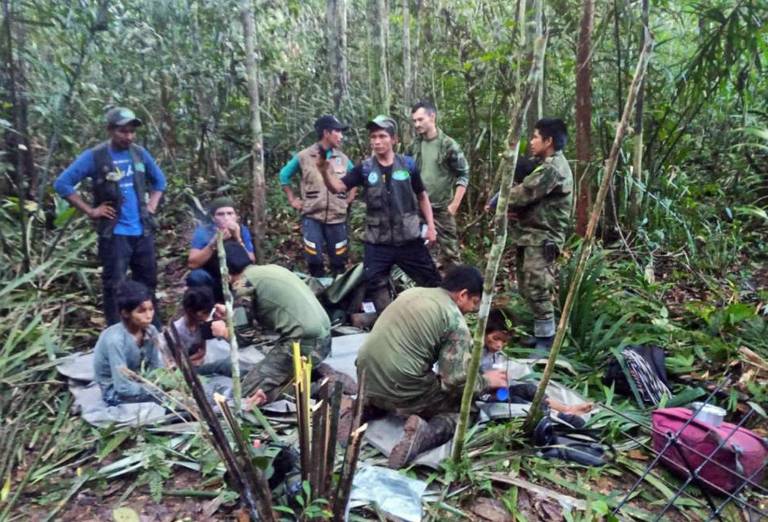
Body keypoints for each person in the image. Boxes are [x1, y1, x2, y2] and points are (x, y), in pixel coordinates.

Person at [355, 265, 508, 469]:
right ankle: (424, 436)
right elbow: (454, 381)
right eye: (474, 302)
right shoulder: (454, 320)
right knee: (465, 411)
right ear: (463, 294)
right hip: (402, 386)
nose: (472, 310)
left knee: (404, 379)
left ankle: (362, 408)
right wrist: (486, 381)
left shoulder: (412, 293)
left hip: (365, 376)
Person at [54, 107, 166, 326]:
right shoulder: (96, 156)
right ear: (110, 130)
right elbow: (62, 184)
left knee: (148, 283)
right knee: (115, 285)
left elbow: (159, 181)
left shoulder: (139, 153)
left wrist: (151, 205)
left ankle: (153, 330)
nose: (129, 136)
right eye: (123, 131)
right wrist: (91, 210)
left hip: (142, 230)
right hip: (115, 234)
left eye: (132, 131)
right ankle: (117, 332)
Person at [318, 115, 442, 313]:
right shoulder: (365, 169)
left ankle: (436, 316)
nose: (377, 141)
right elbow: (338, 187)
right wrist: (324, 171)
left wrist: (431, 227)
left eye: (382, 136)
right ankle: (387, 318)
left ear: (394, 140)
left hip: (409, 238)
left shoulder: (408, 165)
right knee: (374, 283)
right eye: (373, 137)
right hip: (378, 241)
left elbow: (422, 196)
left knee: (432, 282)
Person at [221, 250, 333, 408]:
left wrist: (224, 331)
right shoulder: (272, 269)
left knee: (243, 395)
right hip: (324, 339)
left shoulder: (243, 283)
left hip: (302, 344)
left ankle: (320, 388)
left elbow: (244, 337)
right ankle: (312, 378)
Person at [507, 118, 573, 351]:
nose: (532, 141)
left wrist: (499, 201)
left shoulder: (552, 169)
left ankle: (546, 340)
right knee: (527, 285)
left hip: (543, 237)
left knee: (538, 286)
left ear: (549, 141)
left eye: (535, 137)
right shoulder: (543, 165)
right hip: (530, 235)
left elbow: (523, 194)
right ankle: (540, 333)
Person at [279, 115, 356, 277]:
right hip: (312, 216)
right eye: (338, 132)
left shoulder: (342, 158)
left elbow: (355, 177)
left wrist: (349, 198)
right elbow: (284, 176)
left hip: (337, 217)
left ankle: (338, 288)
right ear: (326, 133)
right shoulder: (304, 156)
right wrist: (292, 199)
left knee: (339, 259)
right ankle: (316, 287)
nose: (341, 136)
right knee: (314, 258)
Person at [479, 310, 593, 417]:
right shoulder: (475, 352)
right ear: (484, 332)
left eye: (504, 341)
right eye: (496, 338)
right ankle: (555, 416)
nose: (499, 345)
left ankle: (566, 409)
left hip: (497, 392)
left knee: (529, 390)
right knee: (515, 401)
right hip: (481, 396)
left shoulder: (494, 355)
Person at [409, 101, 470, 270]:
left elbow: (463, 174)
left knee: (450, 254)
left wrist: (454, 205)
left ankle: (456, 284)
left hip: (442, 209)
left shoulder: (448, 145)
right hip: (418, 209)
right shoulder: (414, 146)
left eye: (420, 119)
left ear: (432, 117)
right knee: (417, 253)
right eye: (414, 121)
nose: (417, 124)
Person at [93, 280, 162, 406]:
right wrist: (154, 390)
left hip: (142, 381)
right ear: (125, 313)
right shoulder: (115, 340)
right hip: (115, 391)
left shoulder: (151, 331)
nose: (149, 316)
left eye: (151, 309)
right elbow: (122, 387)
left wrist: (160, 382)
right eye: (141, 311)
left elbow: (157, 366)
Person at [187, 196, 255, 300]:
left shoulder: (242, 230)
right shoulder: (203, 232)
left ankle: (241, 302)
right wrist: (213, 243)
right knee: (196, 277)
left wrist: (238, 238)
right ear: (213, 218)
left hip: (237, 278)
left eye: (230, 213)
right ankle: (208, 305)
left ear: (236, 216)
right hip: (214, 278)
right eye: (220, 214)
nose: (226, 217)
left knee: (253, 278)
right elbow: (192, 264)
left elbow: (251, 260)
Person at [170, 286, 235, 376]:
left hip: (201, 361)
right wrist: (190, 361)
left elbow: (203, 352)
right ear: (190, 311)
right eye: (204, 313)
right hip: (188, 370)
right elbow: (175, 362)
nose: (207, 316)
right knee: (224, 366)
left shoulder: (205, 322)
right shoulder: (177, 331)